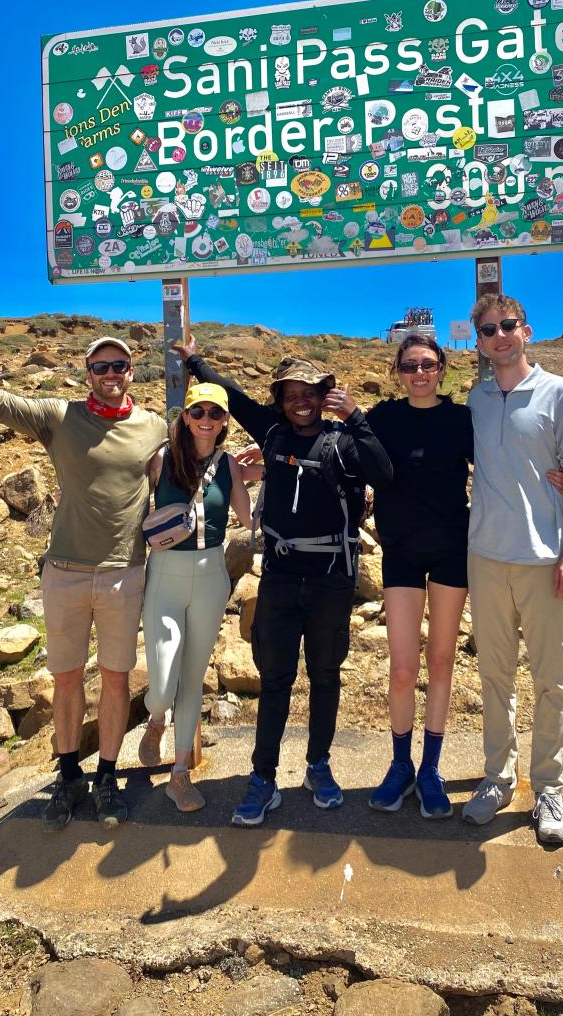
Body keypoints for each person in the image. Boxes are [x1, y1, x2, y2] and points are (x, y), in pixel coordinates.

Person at [0, 309, 166, 831]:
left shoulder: (153, 426)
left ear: (131, 371)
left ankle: (107, 777)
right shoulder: (59, 416)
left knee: (116, 678)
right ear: (88, 373)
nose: (110, 374)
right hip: (65, 573)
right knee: (66, 678)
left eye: (119, 366)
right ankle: (69, 775)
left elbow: (185, 470)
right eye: (101, 366)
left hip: (125, 572)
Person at [174, 336, 392, 826]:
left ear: (324, 395)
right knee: (275, 680)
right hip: (279, 576)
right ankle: (263, 778)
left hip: (331, 579)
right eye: (291, 393)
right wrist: (195, 361)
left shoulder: (343, 441)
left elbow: (384, 473)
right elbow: (231, 393)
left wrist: (355, 416)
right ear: (280, 399)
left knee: (325, 676)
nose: (301, 401)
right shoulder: (272, 431)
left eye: (310, 392)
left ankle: (318, 766)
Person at [462, 294, 563, 845]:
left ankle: (549, 787)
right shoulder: (476, 399)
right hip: (486, 558)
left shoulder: (560, 393)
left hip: (544, 561)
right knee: (494, 676)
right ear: (479, 341)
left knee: (550, 681)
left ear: (526, 331)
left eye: (507, 326)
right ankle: (498, 777)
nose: (499, 336)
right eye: (488, 330)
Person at [364, 334, 472, 819]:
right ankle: (400, 764)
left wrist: (558, 474)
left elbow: (502, 465)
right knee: (403, 669)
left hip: (452, 550)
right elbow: (339, 450)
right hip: (401, 552)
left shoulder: (462, 419)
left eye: (428, 364)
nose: (420, 373)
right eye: (410, 366)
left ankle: (431, 769)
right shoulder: (383, 417)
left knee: (442, 660)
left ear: (442, 368)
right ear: (398, 372)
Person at [138, 382, 252, 812]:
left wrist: (277, 468)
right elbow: (131, 504)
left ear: (224, 422)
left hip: (210, 576)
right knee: (163, 683)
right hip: (164, 575)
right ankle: (155, 717)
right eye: (198, 412)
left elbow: (249, 518)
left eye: (215, 413)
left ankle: (180, 774)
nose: (206, 420)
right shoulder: (161, 458)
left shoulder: (229, 465)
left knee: (193, 677)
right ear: (185, 417)